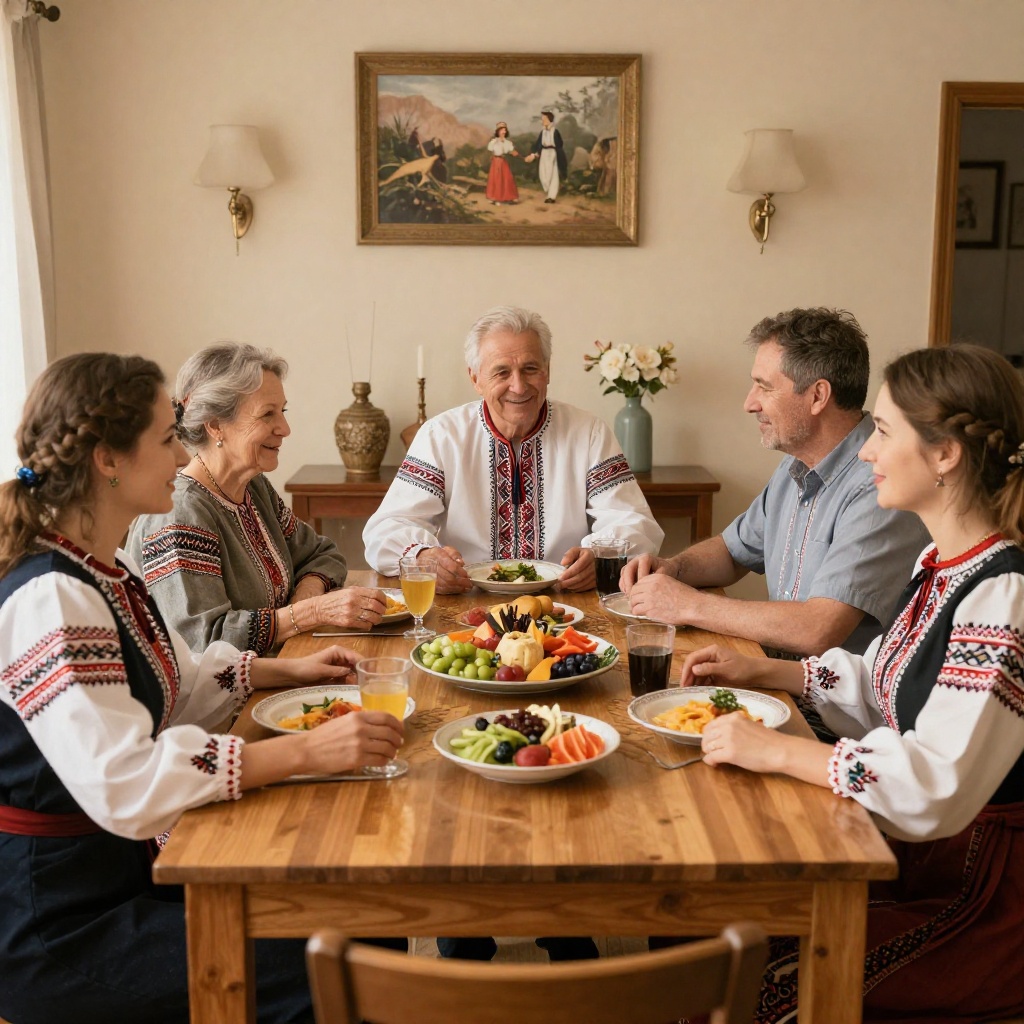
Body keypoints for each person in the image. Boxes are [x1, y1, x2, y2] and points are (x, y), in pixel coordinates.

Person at [0, 353, 406, 1024]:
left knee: (359, 922)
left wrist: (284, 670)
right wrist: (307, 752)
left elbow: (178, 683)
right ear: (108, 458)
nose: (180, 450)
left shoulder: (95, 573)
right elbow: (124, 781)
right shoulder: (52, 598)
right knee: (340, 974)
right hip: (60, 926)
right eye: (167, 436)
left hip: (120, 881)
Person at [679, 344, 1024, 1023]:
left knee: (756, 987)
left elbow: (937, 785)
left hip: (985, 892)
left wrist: (774, 749)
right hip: (914, 854)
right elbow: (886, 683)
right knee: (718, 937)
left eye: (885, 432)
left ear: (946, 454)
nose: (866, 452)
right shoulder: (944, 562)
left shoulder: (1003, 594)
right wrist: (769, 670)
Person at [622, 307, 930, 657]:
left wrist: (688, 605)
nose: (749, 403)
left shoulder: (879, 485)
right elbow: (732, 552)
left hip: (830, 707)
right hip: (779, 679)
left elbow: (819, 629)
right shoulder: (794, 466)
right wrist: (673, 569)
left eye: (764, 387)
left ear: (817, 396)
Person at [363, 305, 664, 595]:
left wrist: (598, 557)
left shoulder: (589, 433)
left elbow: (635, 524)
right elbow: (385, 531)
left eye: (530, 368)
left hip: (566, 604)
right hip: (466, 604)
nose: (518, 386)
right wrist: (423, 557)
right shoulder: (441, 436)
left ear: (547, 370)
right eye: (501, 372)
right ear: (475, 378)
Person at [127, 342, 388, 655]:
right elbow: (205, 642)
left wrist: (307, 596)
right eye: (267, 414)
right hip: (227, 700)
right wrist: (311, 613)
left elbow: (323, 554)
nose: (285, 428)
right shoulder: (180, 512)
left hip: (285, 666)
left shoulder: (253, 488)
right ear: (215, 425)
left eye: (283, 411)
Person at [524, 110, 566, 203]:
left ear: (549, 120)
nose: (542, 121)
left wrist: (556, 153)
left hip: (552, 153)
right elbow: (538, 144)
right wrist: (534, 155)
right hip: (544, 153)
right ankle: (548, 191)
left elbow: (560, 144)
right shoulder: (543, 132)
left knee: (553, 174)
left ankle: (551, 197)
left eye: (544, 119)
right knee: (543, 174)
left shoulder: (555, 131)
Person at [485, 121, 519, 204]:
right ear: (498, 131)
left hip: (503, 161)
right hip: (496, 161)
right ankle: (495, 198)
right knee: (496, 179)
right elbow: (490, 148)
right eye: (501, 130)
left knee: (507, 178)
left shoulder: (508, 142)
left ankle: (509, 197)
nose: (503, 132)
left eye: (505, 130)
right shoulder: (494, 141)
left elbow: (510, 150)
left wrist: (514, 153)